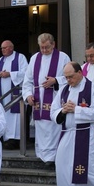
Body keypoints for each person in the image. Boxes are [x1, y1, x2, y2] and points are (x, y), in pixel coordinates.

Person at [22, 33, 70, 163]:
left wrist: (55, 80)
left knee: (53, 128)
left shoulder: (63, 57)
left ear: (53, 44)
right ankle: (42, 156)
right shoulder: (34, 58)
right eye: (41, 47)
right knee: (41, 128)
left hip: (55, 97)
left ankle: (53, 157)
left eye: (46, 47)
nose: (44, 50)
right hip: (38, 98)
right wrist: (28, 95)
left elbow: (70, 77)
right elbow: (28, 80)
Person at [0, 40, 28, 149]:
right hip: (3, 93)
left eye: (5, 48)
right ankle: (7, 139)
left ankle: (16, 139)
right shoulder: (0, 61)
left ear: (11, 48)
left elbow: (26, 72)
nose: (2, 50)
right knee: (4, 114)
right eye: (2, 48)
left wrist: (10, 74)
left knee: (16, 116)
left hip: (15, 93)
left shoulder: (20, 58)